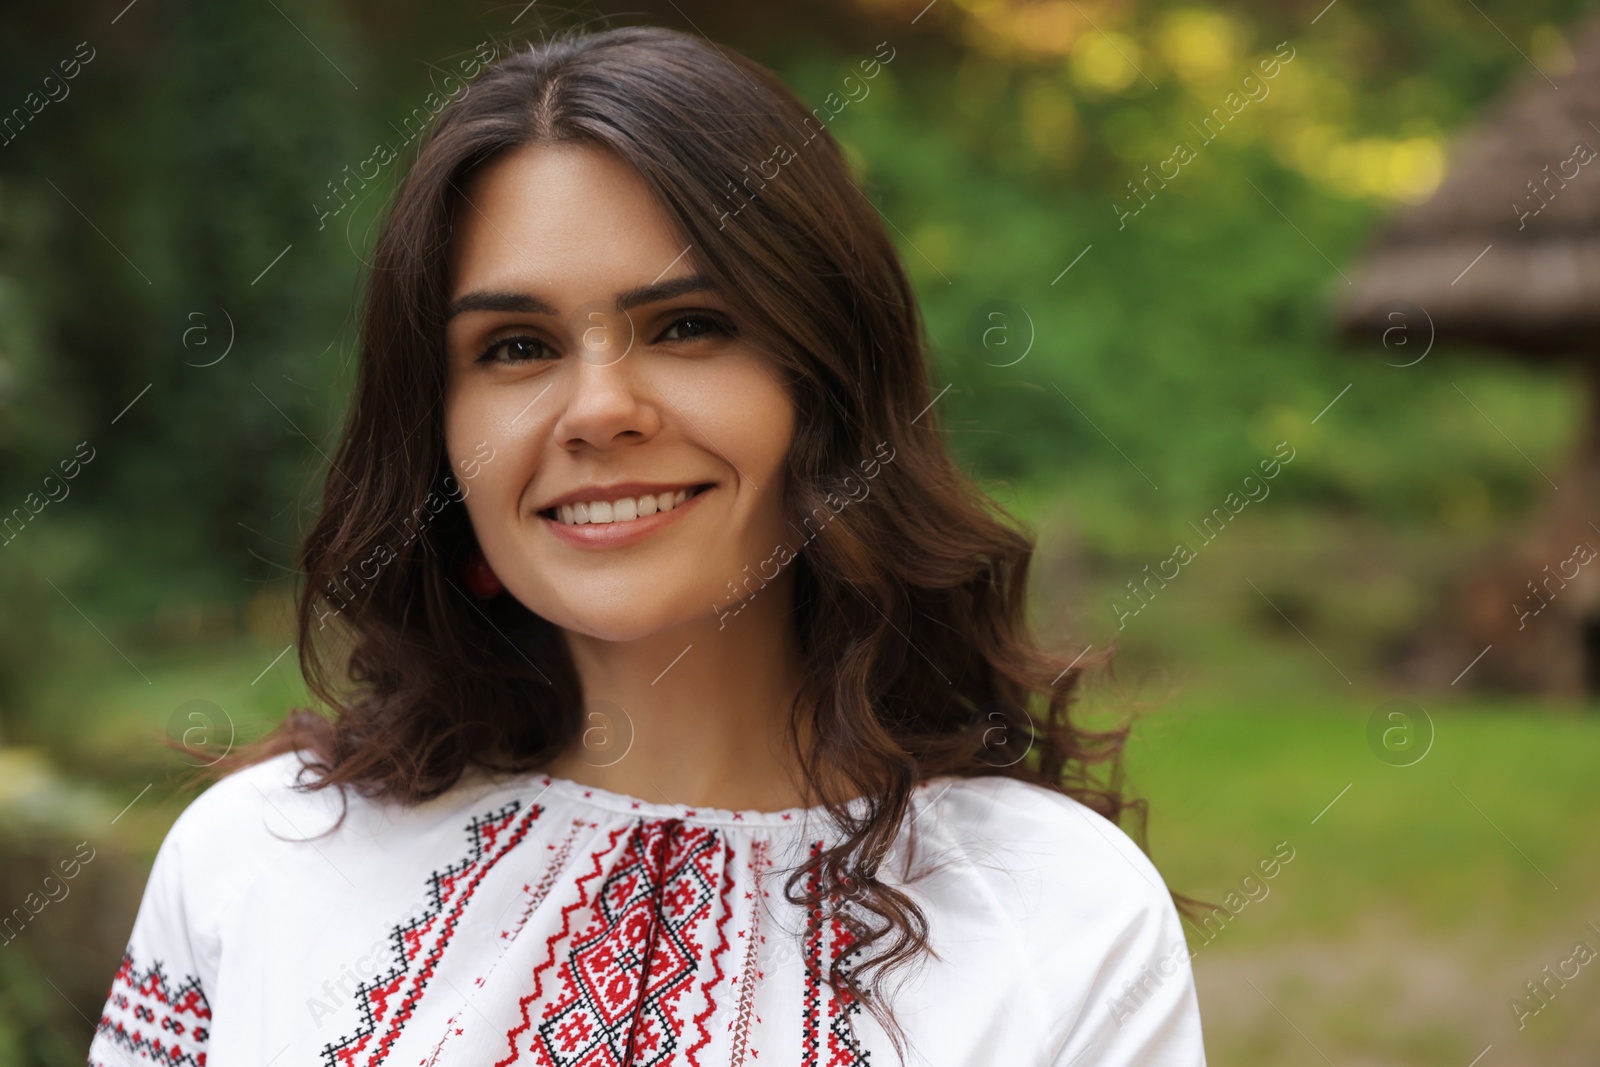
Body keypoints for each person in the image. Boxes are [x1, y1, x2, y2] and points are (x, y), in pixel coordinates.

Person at [87, 25, 1205, 1067]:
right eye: (516, 346)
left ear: (826, 380)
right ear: (436, 434)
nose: (599, 408)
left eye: (686, 326)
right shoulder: (256, 859)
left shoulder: (1061, 910)